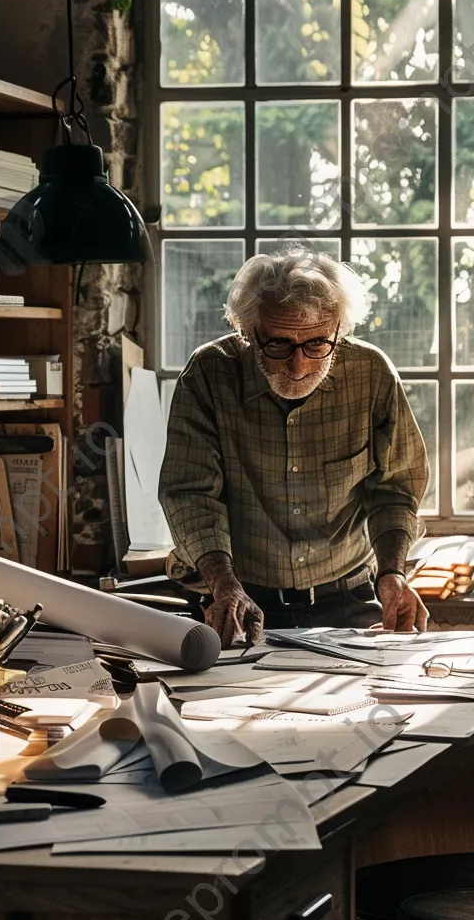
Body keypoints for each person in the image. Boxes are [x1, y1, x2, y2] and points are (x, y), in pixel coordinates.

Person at [159, 249, 430, 644]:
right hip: (239, 600)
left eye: (318, 343)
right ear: (249, 331)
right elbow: (191, 495)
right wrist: (225, 587)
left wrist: (392, 574)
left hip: (349, 598)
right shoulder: (209, 374)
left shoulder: (371, 375)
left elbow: (395, 491)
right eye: (279, 346)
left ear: (340, 329)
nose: (299, 366)